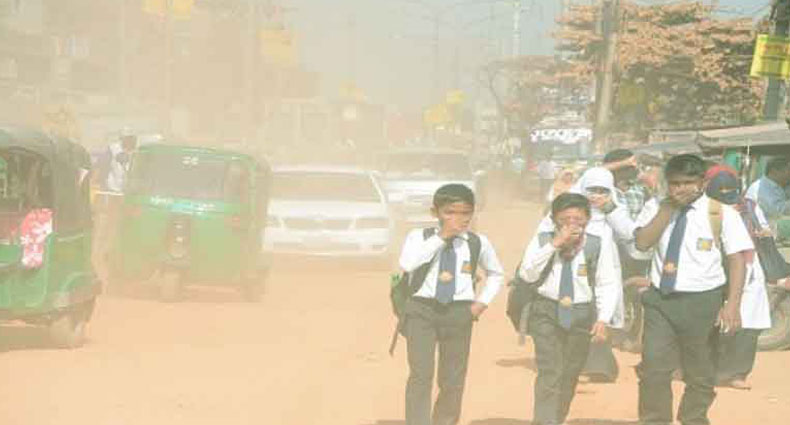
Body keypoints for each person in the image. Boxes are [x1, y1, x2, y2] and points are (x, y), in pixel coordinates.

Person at [635, 154, 753, 425]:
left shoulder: (720, 213)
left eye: (688, 183)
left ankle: (694, 418)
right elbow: (642, 243)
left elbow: (737, 260)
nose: (681, 189)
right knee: (653, 368)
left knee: (700, 372)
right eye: (675, 183)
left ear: (702, 182)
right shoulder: (655, 207)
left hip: (703, 302)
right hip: (661, 300)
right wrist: (666, 210)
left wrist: (732, 305)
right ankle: (654, 420)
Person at [399, 183, 505, 425]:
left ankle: (445, 421)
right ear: (434, 212)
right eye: (449, 212)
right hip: (421, 310)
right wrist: (443, 236)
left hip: (459, 312)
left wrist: (481, 304)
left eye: (465, 213)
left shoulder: (477, 242)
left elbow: (496, 274)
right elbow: (408, 263)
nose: (458, 218)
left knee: (453, 377)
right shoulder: (419, 237)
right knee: (421, 373)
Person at [518, 192, 622, 425]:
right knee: (549, 369)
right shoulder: (542, 240)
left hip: (581, 313)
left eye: (578, 219)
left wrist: (603, 318)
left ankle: (557, 417)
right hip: (546, 309)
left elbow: (606, 282)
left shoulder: (596, 243)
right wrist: (555, 244)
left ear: (587, 220)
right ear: (554, 219)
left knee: (571, 371)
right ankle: (544, 421)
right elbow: (527, 273)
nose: (572, 225)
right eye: (565, 220)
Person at [704, 165, 772, 390]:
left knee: (748, 324)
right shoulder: (704, 208)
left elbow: (764, 232)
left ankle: (736, 374)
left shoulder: (750, 207)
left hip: (749, 268)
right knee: (711, 322)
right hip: (713, 267)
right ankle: (708, 371)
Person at [745, 157, 790, 231]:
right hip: (764, 231)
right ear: (775, 171)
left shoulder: (778, 185)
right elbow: (776, 210)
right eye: (788, 171)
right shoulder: (762, 188)